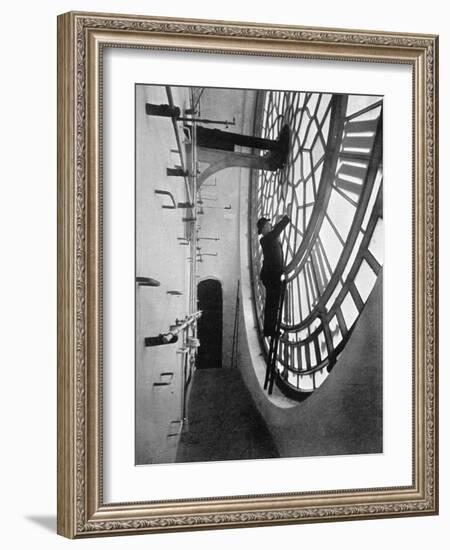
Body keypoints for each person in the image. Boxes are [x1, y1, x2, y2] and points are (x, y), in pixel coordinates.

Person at [257, 213, 291, 337]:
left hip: (271, 276)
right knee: (272, 304)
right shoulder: (266, 239)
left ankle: (269, 330)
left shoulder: (268, 238)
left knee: (273, 303)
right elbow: (276, 230)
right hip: (271, 277)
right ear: (264, 229)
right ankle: (270, 330)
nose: (270, 225)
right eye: (267, 224)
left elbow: (275, 230)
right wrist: (287, 218)